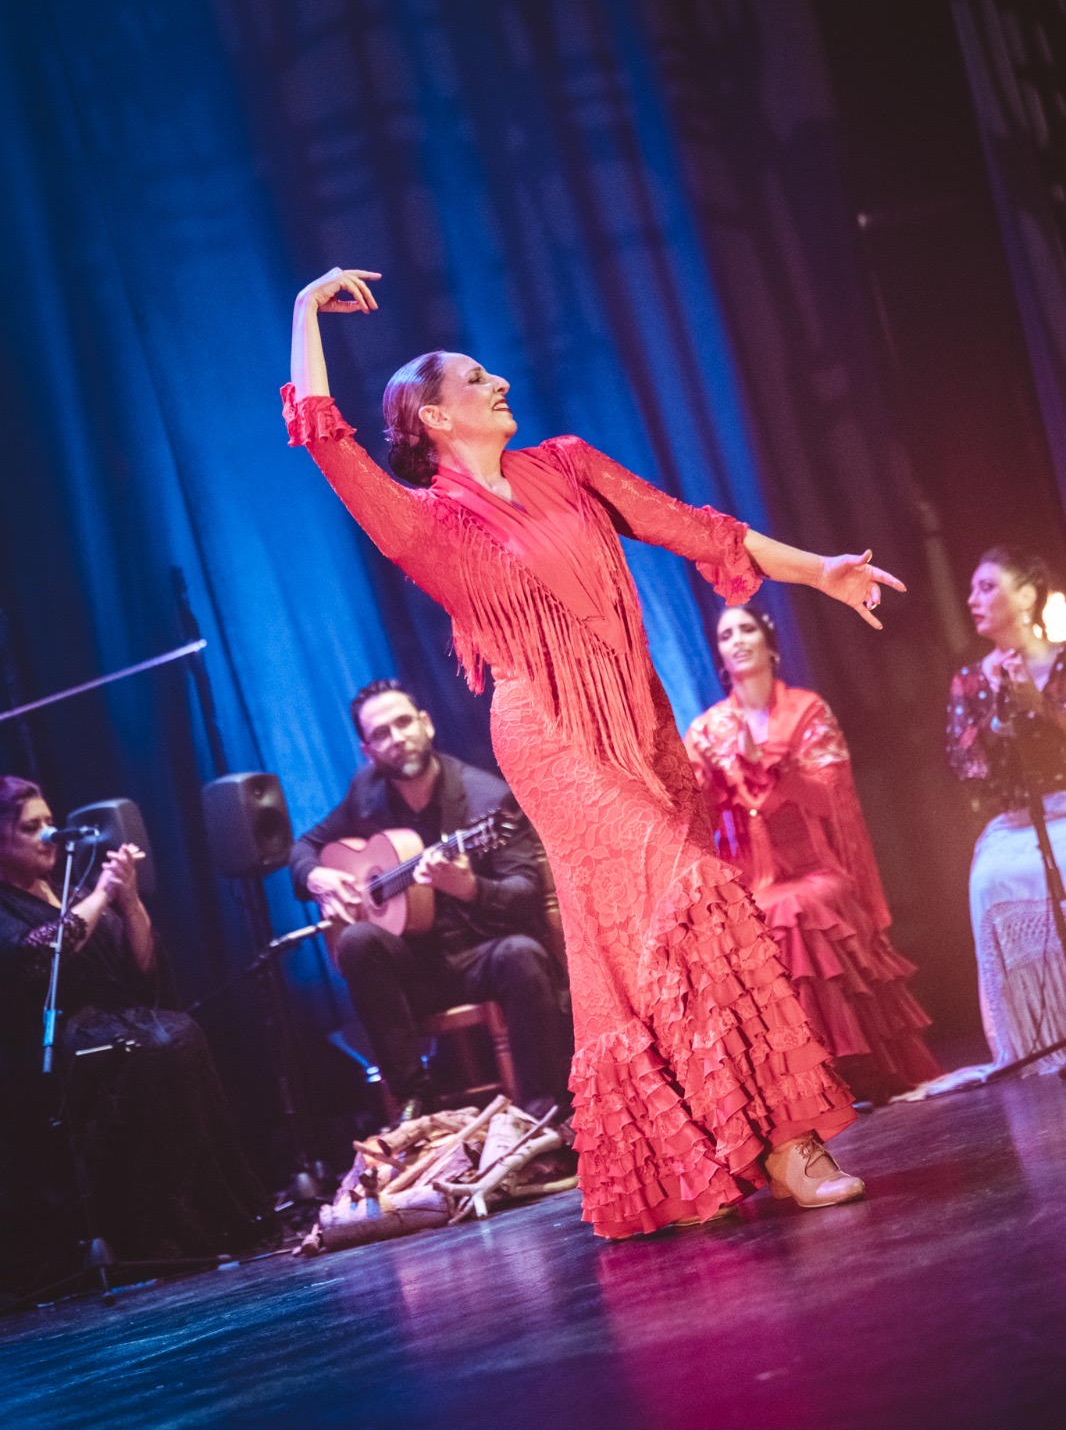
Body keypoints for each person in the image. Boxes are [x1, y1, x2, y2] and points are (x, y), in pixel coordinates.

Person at [283, 265, 907, 1237]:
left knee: (639, 943)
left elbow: (695, 530)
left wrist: (818, 570)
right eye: (476, 380)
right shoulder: (425, 524)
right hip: (548, 735)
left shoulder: (567, 463)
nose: (499, 382)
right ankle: (790, 1142)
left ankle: (687, 1155)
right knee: (696, 897)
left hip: (637, 725)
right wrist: (304, 313)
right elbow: (327, 440)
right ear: (437, 418)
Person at [0, 777, 269, 1294]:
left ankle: (205, 1217)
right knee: (150, 1050)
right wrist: (103, 895)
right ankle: (153, 1234)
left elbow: (143, 971)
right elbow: (41, 954)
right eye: (31, 828)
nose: (49, 835)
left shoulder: (72, 892)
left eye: (49, 822)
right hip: (51, 1042)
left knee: (179, 1034)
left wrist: (129, 902)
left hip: (117, 1019)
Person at [684, 603, 938, 1103]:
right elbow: (698, 810)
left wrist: (772, 769)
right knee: (740, 919)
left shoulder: (807, 711)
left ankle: (851, 1068)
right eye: (726, 635)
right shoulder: (707, 731)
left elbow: (829, 798)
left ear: (769, 642)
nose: (736, 641)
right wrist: (714, 779)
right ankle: (790, 1086)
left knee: (797, 907)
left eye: (746, 630)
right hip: (749, 877)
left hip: (812, 867)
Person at [289, 678, 571, 1120]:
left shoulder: (487, 801)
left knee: (523, 954)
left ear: (426, 723)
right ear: (367, 750)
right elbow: (303, 848)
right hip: (415, 972)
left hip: (481, 956)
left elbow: (526, 895)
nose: (397, 738)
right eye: (381, 733)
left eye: (404, 723)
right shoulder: (366, 794)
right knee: (357, 941)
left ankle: (543, 1111)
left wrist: (471, 889)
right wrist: (315, 876)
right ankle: (415, 1103)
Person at [925, 547, 1066, 1092]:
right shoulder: (969, 680)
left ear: (1026, 595)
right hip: (1016, 822)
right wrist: (999, 714)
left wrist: (1039, 705)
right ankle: (1037, 1033)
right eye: (971, 589)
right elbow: (966, 768)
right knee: (990, 879)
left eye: (987, 587)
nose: (972, 599)